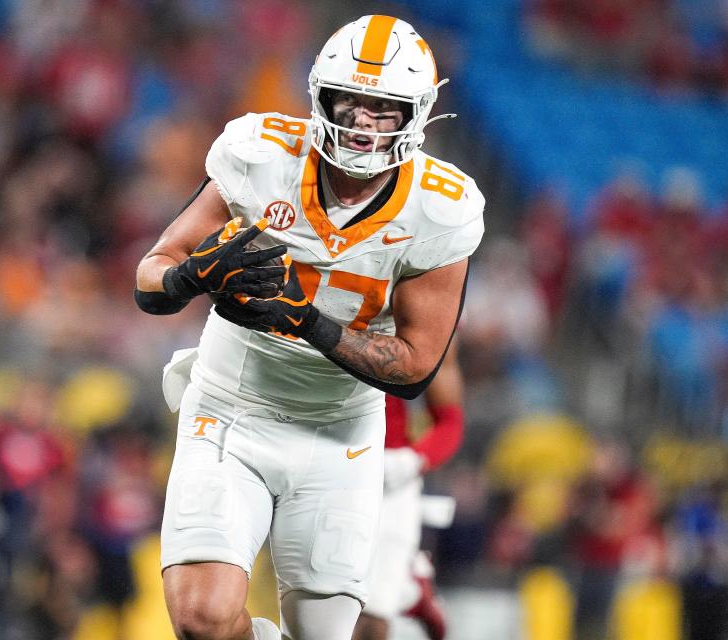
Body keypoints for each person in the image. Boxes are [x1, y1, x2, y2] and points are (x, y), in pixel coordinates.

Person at [134, 14, 484, 640]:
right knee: (201, 618)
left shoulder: (440, 209)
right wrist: (192, 277)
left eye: (384, 108)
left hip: (338, 431)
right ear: (322, 95)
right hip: (229, 406)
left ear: (417, 115)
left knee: (325, 632)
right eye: (351, 101)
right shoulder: (261, 153)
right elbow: (149, 278)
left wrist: (306, 320)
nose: (362, 121)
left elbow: (414, 369)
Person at [354, 340, 465, 640]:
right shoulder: (304, 300)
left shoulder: (426, 316)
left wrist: (411, 460)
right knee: (316, 605)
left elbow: (449, 422)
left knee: (370, 619)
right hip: (318, 459)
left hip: (389, 479)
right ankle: (410, 591)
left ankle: (403, 589)